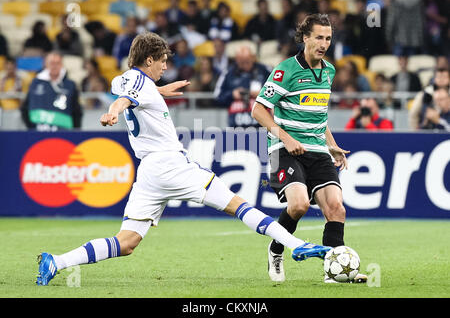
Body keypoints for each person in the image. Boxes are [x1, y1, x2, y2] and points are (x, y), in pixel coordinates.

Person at [36, 32, 331, 286]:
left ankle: (56, 262)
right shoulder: (137, 87)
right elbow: (123, 99)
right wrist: (114, 111)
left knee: (127, 242)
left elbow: (125, 89)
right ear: (148, 59)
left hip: (149, 173)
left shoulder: (129, 79)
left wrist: (158, 90)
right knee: (238, 205)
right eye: (162, 60)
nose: (166, 65)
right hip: (171, 165)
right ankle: (296, 245)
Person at [251, 13, 367, 284]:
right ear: (305, 38)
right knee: (300, 205)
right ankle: (277, 249)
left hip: (317, 149)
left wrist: (332, 145)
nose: (324, 43)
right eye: (318, 37)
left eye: (328, 38)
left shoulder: (329, 70)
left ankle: (333, 271)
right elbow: (258, 110)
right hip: (284, 148)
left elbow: (318, 115)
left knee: (336, 208)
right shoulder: (285, 70)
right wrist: (287, 138)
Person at [20, 52, 82, 131]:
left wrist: (75, 131)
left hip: (64, 133)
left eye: (57, 63)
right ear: (45, 64)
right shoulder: (35, 83)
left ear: (62, 65)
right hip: (38, 132)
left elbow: (76, 111)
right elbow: (25, 108)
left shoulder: (70, 85)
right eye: (52, 63)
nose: (54, 66)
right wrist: (31, 128)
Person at [214, 45, 271, 128]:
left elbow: (280, 92)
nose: (245, 65)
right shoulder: (228, 73)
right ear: (236, 60)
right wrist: (232, 94)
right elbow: (217, 97)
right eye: (241, 62)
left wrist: (262, 94)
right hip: (236, 125)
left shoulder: (265, 70)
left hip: (262, 125)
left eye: (247, 61)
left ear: (253, 58)